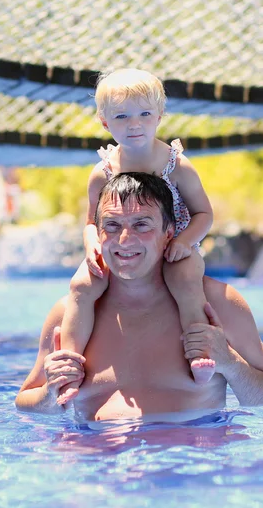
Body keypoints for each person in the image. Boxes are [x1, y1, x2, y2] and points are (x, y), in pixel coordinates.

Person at [15, 173, 263, 422]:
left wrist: (230, 362)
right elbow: (26, 402)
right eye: (111, 226)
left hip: (189, 464)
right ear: (97, 234)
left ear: (168, 233)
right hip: (97, 468)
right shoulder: (72, 311)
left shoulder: (217, 303)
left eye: (141, 225)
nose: (124, 239)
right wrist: (50, 393)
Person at [59, 69, 215, 405]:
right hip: (122, 251)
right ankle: (68, 367)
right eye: (122, 116)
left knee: (186, 280)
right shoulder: (103, 172)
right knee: (81, 286)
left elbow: (204, 213)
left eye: (145, 114)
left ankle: (198, 355)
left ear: (159, 116)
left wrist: (185, 242)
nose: (134, 124)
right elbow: (91, 220)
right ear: (104, 122)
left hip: (173, 245)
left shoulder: (176, 165)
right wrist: (92, 244)